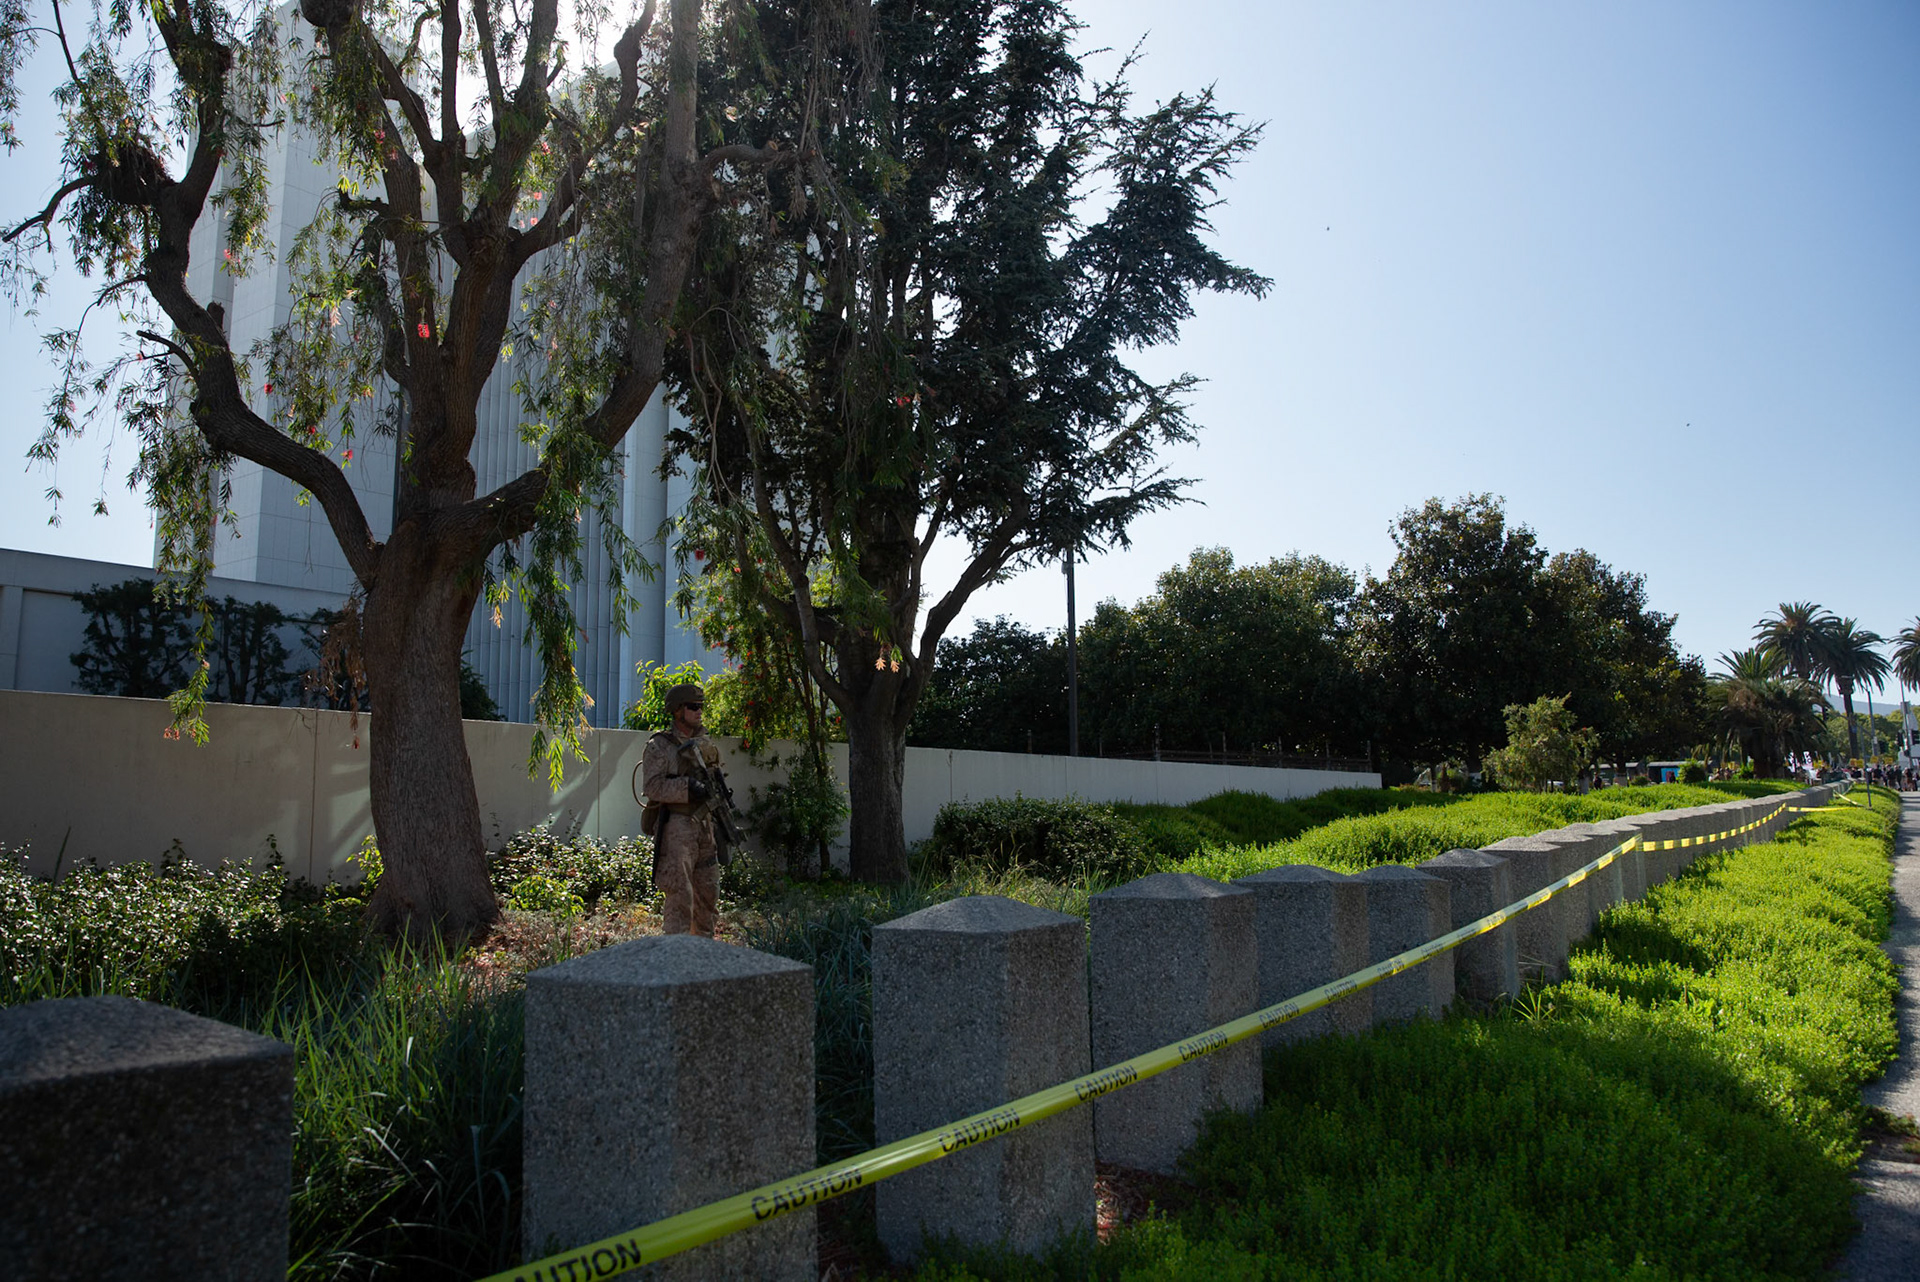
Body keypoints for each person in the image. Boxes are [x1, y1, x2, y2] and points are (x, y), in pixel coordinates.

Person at [641, 682, 731, 937]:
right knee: (680, 899)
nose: (699, 711)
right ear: (678, 710)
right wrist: (687, 787)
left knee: (708, 894)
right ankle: (675, 958)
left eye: (701, 706)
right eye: (694, 707)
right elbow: (652, 786)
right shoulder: (660, 745)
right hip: (676, 829)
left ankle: (702, 955)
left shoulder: (706, 743)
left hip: (705, 827)